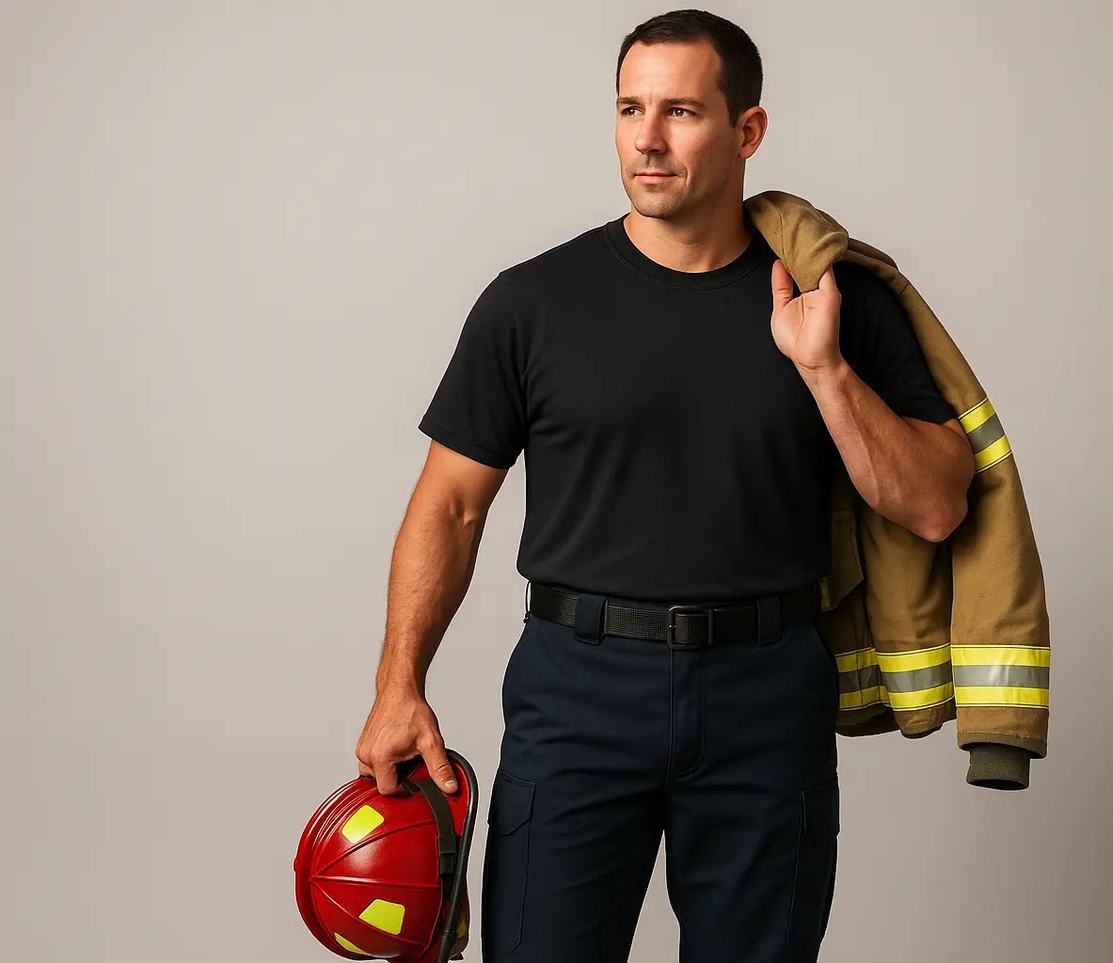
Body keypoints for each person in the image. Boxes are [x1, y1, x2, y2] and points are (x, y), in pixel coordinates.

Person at [354, 9, 974, 961]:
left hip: (766, 694)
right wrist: (400, 684)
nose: (646, 138)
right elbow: (450, 502)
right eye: (629, 108)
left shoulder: (832, 301)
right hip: (576, 691)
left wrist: (826, 372)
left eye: (680, 110)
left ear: (747, 131)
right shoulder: (532, 302)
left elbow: (935, 502)